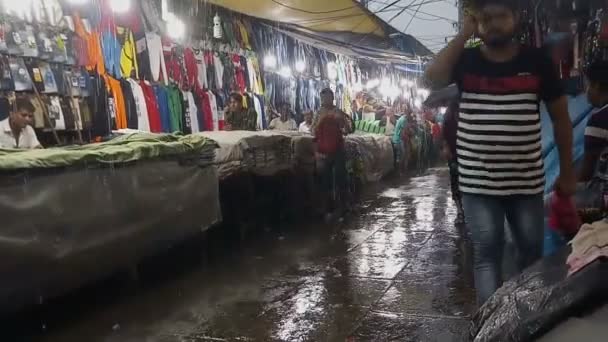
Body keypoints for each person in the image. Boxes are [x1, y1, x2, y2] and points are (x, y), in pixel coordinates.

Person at [424, 0, 575, 305]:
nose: (493, 23)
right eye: (486, 17)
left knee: (530, 252)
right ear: (477, 21)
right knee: (487, 254)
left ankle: (526, 318)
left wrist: (568, 172)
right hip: (478, 183)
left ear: (516, 18)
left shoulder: (537, 62)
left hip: (526, 181)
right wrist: (464, 32)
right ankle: (491, 327)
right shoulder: (465, 61)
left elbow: (561, 118)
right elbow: (432, 79)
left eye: (501, 16)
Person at [313, 88, 353, 218]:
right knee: (326, 180)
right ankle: (328, 208)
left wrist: (341, 121)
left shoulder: (338, 112)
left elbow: (348, 130)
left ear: (332, 98)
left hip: (338, 150)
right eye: (324, 98)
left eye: (328, 98)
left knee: (341, 178)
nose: (326, 100)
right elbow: (313, 132)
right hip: (324, 151)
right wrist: (316, 153)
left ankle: (344, 206)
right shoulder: (318, 113)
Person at [579, 60, 608, 183]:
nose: (586, 91)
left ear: (595, 85)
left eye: (587, 85)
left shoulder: (598, 120)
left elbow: (585, 174)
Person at [442, 101, 465, 225]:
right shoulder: (448, 114)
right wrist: (446, 147)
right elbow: (444, 132)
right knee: (455, 180)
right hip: (454, 153)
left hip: (468, 153)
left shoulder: (469, 111)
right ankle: (460, 211)